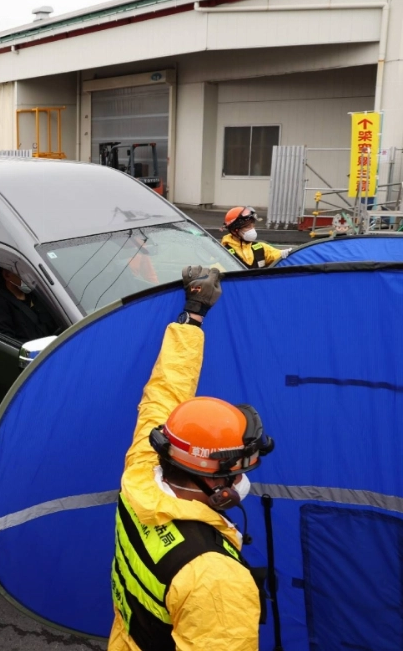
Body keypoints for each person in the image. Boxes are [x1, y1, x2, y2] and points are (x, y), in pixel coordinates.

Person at [108, 266, 273, 651]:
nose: (240, 482)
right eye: (236, 473)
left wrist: (192, 316)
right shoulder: (215, 578)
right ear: (213, 483)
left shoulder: (141, 472)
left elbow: (165, 391)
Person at [0, 267, 59, 343]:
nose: (32, 279)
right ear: (7, 275)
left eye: (33, 273)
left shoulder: (35, 296)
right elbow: (6, 344)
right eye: (25, 273)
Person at [221, 206, 287, 269]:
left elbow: (278, 255)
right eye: (247, 227)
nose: (252, 230)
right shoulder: (222, 253)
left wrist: (288, 253)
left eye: (253, 226)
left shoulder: (261, 248)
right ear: (234, 230)